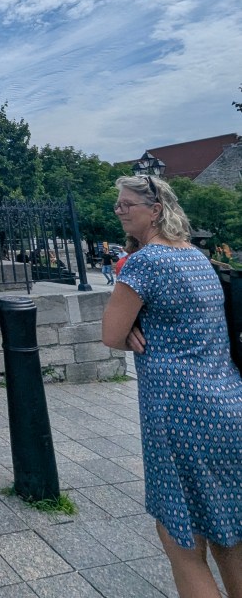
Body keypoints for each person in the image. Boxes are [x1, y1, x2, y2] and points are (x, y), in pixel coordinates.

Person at [102, 175, 242, 598]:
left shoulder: (144, 263)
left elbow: (111, 334)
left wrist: (130, 327)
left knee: (181, 540)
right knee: (229, 532)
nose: (120, 210)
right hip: (227, 402)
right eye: (118, 204)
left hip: (178, 411)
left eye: (128, 204)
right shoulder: (197, 257)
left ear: (156, 210)